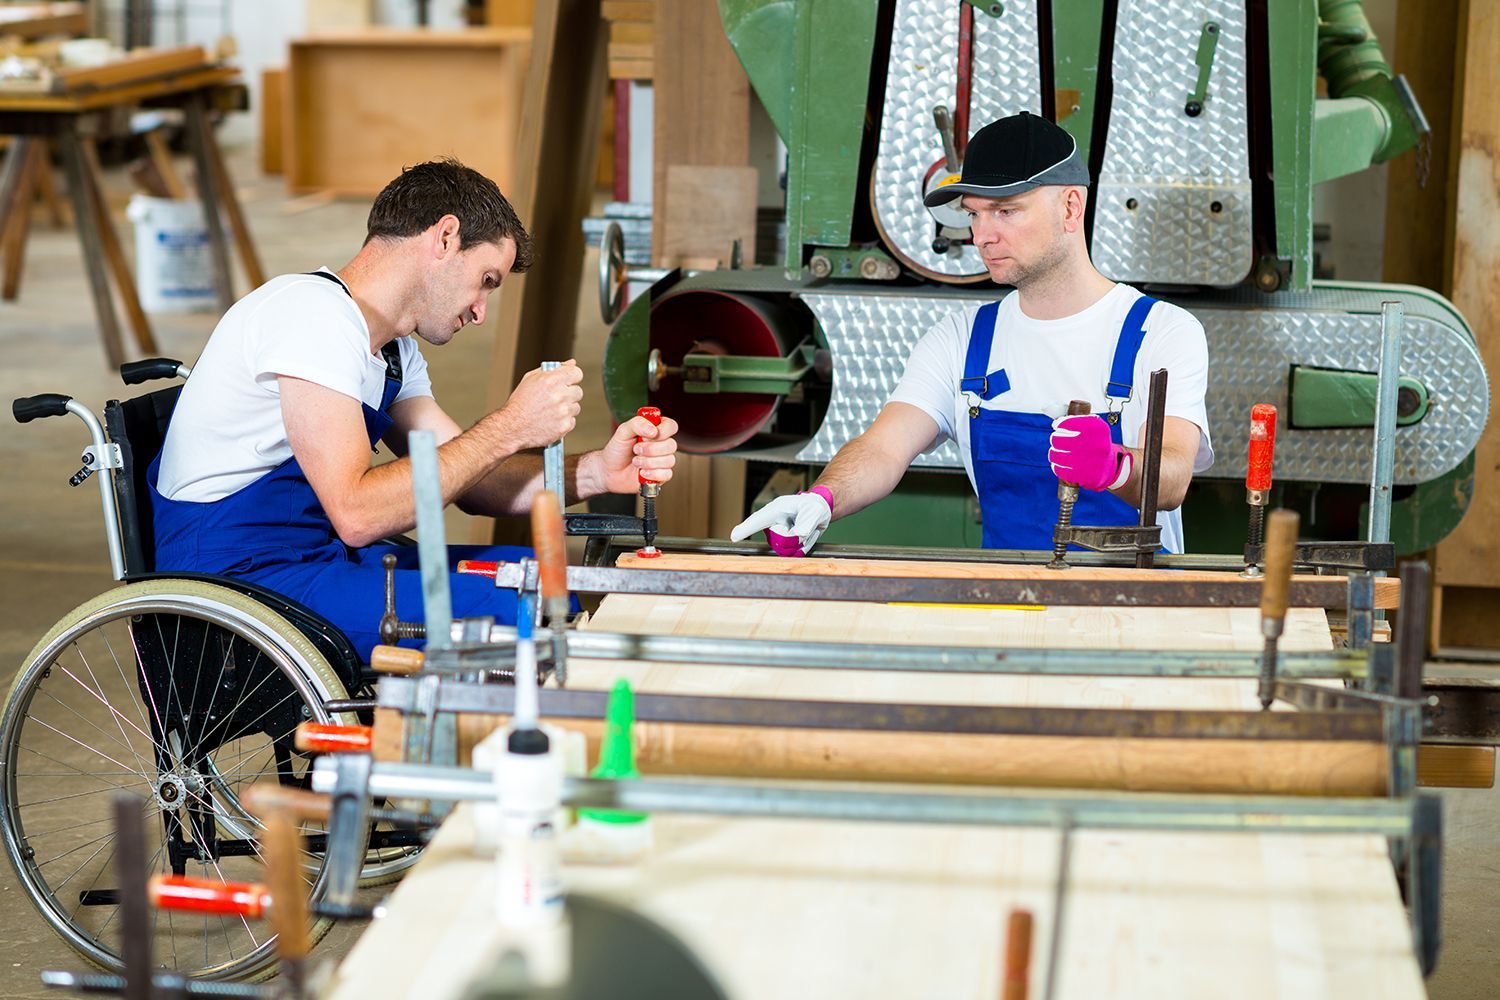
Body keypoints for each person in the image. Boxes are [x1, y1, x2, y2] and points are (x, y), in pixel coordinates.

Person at [150, 158, 677, 658]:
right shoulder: (311, 315)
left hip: (310, 557)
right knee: (511, 606)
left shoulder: (392, 352)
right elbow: (357, 514)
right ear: (445, 238)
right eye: (486, 281)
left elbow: (471, 478)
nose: (480, 310)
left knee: (532, 572)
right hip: (235, 580)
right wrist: (511, 426)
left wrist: (597, 472)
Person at [732, 112, 1212, 556]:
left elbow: (1172, 478)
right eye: (974, 214)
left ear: (1070, 208)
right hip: (1002, 602)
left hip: (1128, 607)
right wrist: (822, 498)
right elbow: (883, 447)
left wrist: (1115, 466)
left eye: (1006, 211)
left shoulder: (1161, 331)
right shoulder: (961, 340)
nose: (982, 235)